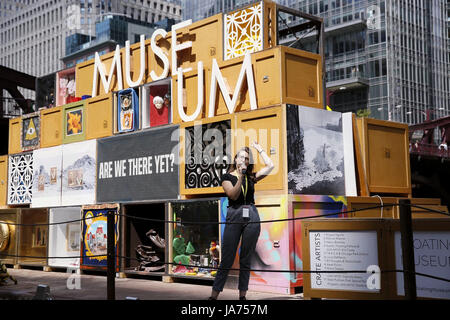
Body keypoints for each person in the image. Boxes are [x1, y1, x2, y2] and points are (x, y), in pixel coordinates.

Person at [209, 141, 274, 300]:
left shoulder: (251, 177)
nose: (244, 160)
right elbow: (233, 195)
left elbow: (270, 165)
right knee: (227, 258)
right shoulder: (227, 177)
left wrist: (260, 150)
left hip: (251, 214)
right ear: (235, 159)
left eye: (247, 158)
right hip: (234, 213)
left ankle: (242, 296)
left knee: (246, 258)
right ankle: (214, 295)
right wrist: (241, 177)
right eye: (241, 157)